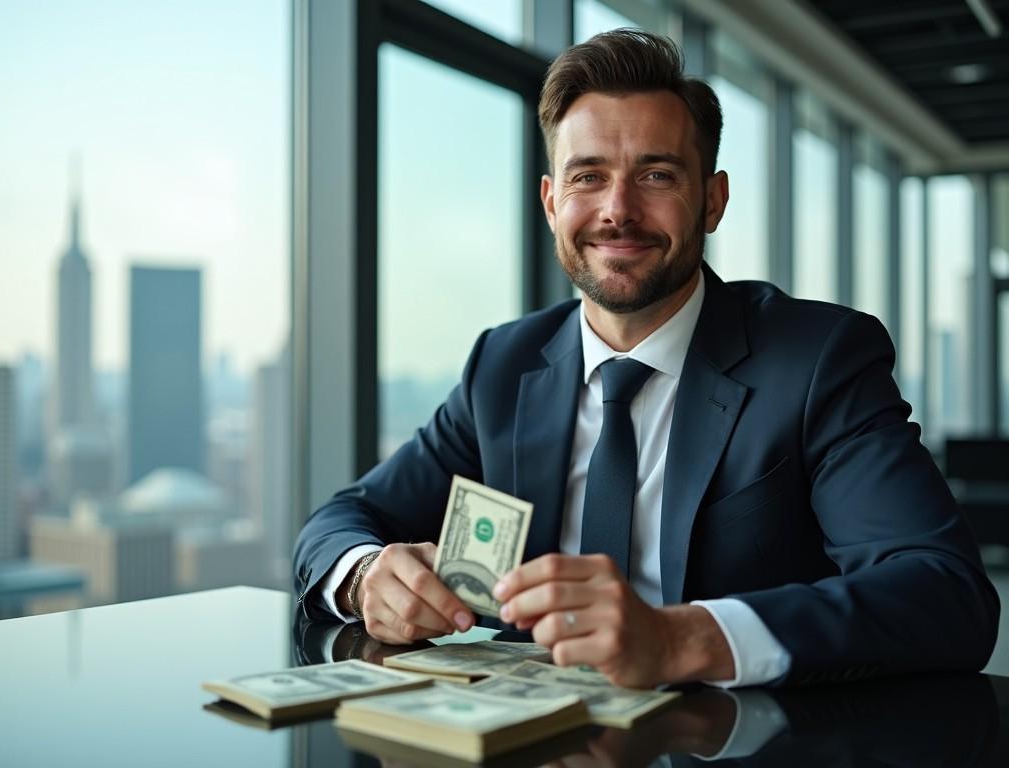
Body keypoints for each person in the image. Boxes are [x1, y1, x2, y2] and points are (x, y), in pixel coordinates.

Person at [294, 29, 998, 688]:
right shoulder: (503, 365)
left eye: (656, 175)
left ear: (713, 201)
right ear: (550, 202)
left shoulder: (817, 360)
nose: (618, 210)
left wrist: (682, 639)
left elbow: (945, 592)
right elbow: (341, 520)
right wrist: (365, 577)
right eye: (587, 177)